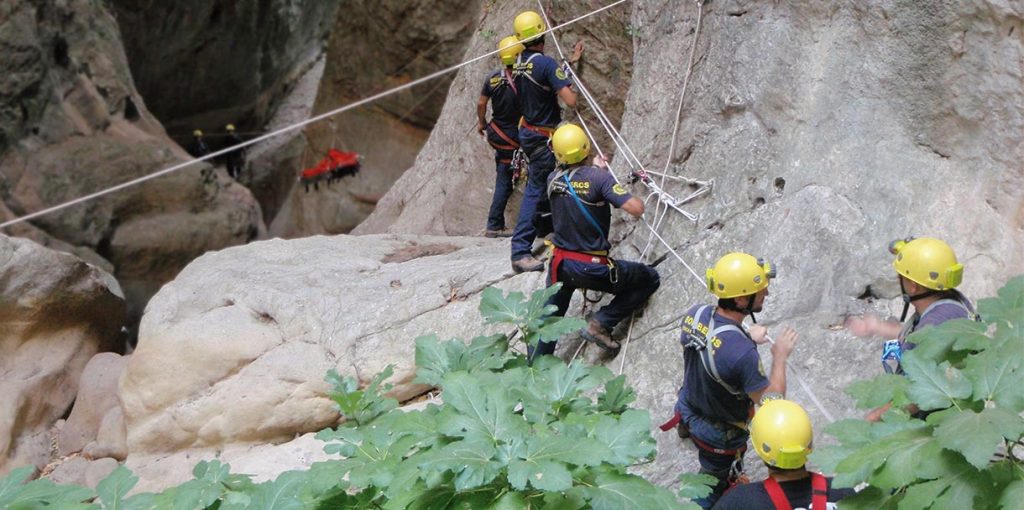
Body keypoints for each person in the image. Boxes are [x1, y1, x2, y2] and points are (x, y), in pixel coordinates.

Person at [671, 252, 799, 509]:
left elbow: (717, 348)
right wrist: (779, 357)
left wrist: (746, 337)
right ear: (741, 299)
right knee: (711, 483)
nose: (766, 294)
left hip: (688, 402)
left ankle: (685, 426)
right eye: (760, 291)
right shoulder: (742, 354)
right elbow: (772, 402)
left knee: (689, 413)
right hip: (718, 433)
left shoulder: (696, 314)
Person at [529, 124, 659, 360]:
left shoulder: (552, 180)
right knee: (649, 278)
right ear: (586, 147)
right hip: (592, 268)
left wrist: (597, 173)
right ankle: (601, 322)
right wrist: (606, 178)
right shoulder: (599, 179)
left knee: (548, 321)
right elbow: (636, 208)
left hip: (561, 265)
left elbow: (579, 184)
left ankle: (534, 366)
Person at [845, 236, 976, 421]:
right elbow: (916, 336)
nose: (899, 280)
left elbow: (916, 395)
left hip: (941, 417)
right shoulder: (949, 304)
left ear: (913, 287)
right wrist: (876, 327)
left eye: (902, 277)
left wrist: (874, 418)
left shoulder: (935, 323)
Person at [508, 10, 579, 273]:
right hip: (543, 135)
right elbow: (570, 100)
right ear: (543, 34)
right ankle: (520, 251)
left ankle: (548, 228)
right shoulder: (546, 65)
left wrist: (568, 64)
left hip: (529, 131)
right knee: (537, 188)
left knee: (544, 184)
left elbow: (543, 79)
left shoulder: (518, 63)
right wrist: (567, 79)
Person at [712, 400, 856, 509]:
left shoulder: (739, 501)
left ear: (760, 451)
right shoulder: (844, 492)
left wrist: (748, 494)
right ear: (809, 445)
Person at [477, 36, 525, 238]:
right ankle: (494, 224)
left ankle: (496, 223)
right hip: (515, 135)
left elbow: (481, 103)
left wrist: (482, 123)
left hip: (496, 133)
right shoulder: (525, 79)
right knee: (506, 179)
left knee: (503, 172)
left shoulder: (492, 78)